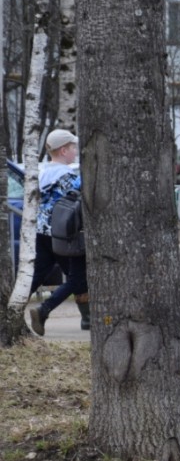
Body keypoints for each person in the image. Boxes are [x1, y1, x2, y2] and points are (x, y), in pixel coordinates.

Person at [28, 129, 89, 336]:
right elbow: (86, 191)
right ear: (63, 150)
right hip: (63, 234)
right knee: (77, 277)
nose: (75, 152)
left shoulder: (42, 172)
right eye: (73, 148)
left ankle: (9, 309)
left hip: (41, 232)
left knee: (37, 274)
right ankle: (44, 309)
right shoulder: (69, 176)